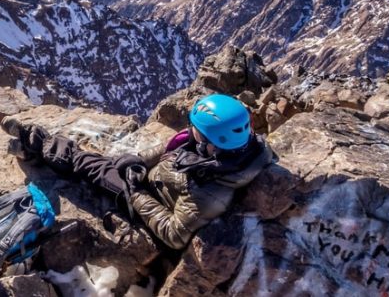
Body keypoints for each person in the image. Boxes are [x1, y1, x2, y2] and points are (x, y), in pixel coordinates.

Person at [19, 94, 273, 250]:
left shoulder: (209, 192)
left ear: (211, 141)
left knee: (93, 167)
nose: (190, 129)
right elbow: (178, 147)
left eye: (196, 127)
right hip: (156, 182)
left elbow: (174, 235)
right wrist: (139, 160)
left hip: (150, 201)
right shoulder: (232, 149)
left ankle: (36, 145)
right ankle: (42, 145)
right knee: (108, 164)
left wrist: (137, 192)